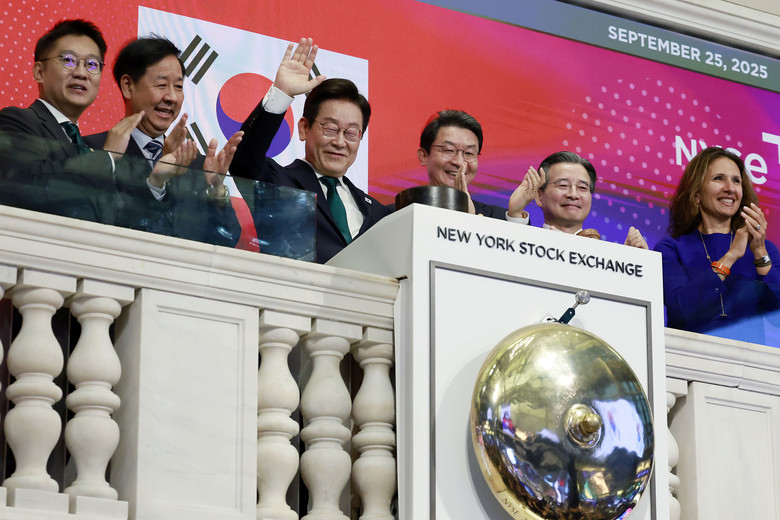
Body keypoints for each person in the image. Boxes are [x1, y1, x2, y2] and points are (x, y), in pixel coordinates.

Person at [0, 19, 191, 225]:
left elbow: (122, 225)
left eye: (91, 64)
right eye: (68, 61)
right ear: (39, 72)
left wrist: (155, 181)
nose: (81, 73)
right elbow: (26, 186)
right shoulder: (15, 121)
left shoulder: (83, 146)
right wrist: (107, 156)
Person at [230, 38, 392, 263]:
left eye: (351, 133)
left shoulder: (377, 212)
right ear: (304, 128)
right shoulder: (276, 182)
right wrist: (281, 93)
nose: (340, 142)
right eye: (330, 128)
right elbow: (243, 160)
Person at [83, 36, 243, 246]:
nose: (172, 97)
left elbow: (228, 240)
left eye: (178, 86)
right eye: (161, 85)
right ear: (128, 86)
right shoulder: (94, 151)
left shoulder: (198, 166)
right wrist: (154, 183)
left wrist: (216, 190)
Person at [653, 146, 780, 340]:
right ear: (697, 194)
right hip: (689, 354)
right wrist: (731, 256)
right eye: (719, 178)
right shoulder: (671, 248)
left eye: (736, 181)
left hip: (750, 357)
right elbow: (680, 309)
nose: (730, 188)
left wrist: (760, 253)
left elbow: (777, 318)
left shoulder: (764, 249)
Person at [417, 110, 539, 221]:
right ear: (424, 156)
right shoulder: (406, 211)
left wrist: (515, 214)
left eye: (469, 153)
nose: (459, 162)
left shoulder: (500, 219)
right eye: (449, 150)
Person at [526, 151, 647, 247]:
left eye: (582, 188)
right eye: (563, 185)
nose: (573, 194)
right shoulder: (525, 245)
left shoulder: (606, 258)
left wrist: (632, 259)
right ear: (539, 196)